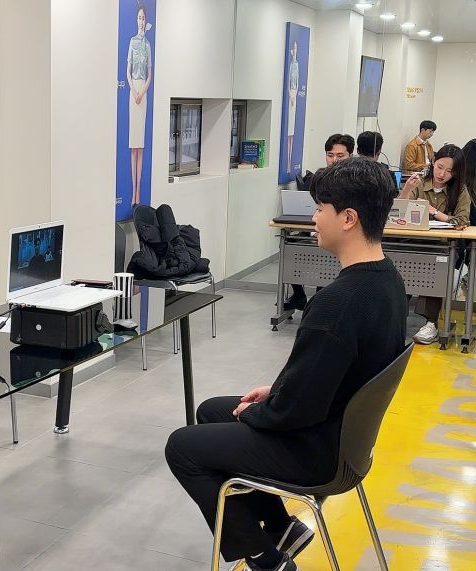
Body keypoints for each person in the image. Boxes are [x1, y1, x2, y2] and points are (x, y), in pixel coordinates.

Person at [166, 158, 406, 571]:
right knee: (211, 410)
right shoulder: (389, 280)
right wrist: (273, 394)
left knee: (183, 448)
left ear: (348, 218)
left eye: (320, 208)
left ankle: (266, 559)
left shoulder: (337, 304)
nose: (313, 218)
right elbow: (325, 378)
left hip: (318, 453)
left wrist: (261, 410)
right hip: (348, 443)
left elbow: (296, 411)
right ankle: (281, 528)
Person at [399, 144, 470, 344]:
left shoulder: (460, 190)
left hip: (442, 246)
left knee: (437, 265)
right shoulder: (419, 183)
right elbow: (398, 212)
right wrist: (406, 190)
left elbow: (462, 221)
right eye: (439, 167)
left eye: (449, 171)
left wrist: (434, 212)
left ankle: (430, 322)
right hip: (412, 242)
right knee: (399, 266)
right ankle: (394, 315)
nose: (442, 174)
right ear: (433, 163)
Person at [285, 133, 355, 311]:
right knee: (290, 244)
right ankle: (299, 295)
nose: (334, 160)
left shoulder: (356, 180)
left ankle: (322, 302)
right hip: (319, 229)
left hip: (344, 234)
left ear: (350, 156)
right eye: (330, 155)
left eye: (340, 156)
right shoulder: (319, 177)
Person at [127, 3, 152, 207]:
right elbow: (127, 72)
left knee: (140, 145)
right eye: (139, 17)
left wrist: (142, 92)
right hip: (133, 90)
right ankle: (132, 189)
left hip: (143, 91)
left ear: (146, 20)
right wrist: (134, 91)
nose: (141, 21)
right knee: (133, 146)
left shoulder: (147, 45)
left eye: (143, 18)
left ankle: (138, 191)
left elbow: (150, 74)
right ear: (136, 20)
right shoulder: (132, 42)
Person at [286, 41, 298, 174]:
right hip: (291, 98)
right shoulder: (291, 65)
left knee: (292, 132)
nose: (295, 50)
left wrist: (294, 96)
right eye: (293, 48)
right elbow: (289, 81)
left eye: (296, 48)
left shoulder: (297, 65)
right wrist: (291, 95)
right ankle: (288, 164)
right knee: (288, 132)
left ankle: (290, 164)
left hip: (294, 99)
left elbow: (297, 82)